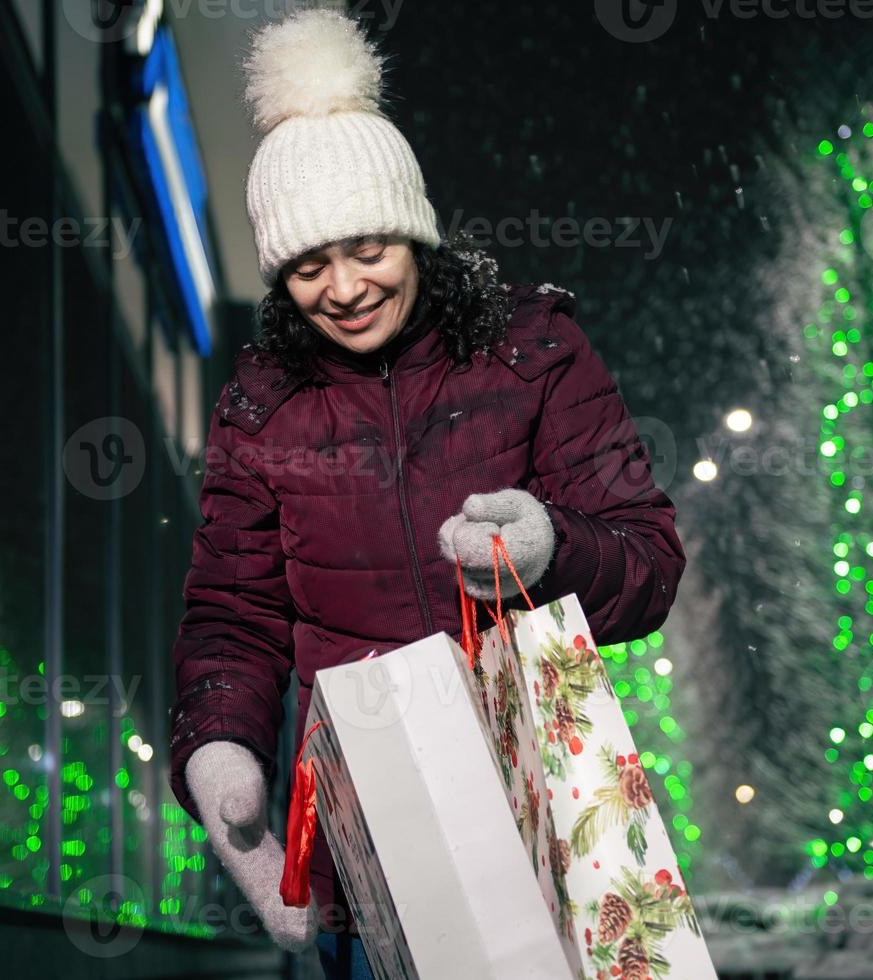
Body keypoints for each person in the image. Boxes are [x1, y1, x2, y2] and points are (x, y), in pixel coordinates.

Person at [167, 9, 686, 978]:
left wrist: (548, 545)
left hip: (547, 804)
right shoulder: (260, 409)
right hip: (373, 840)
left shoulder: (533, 350)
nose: (345, 286)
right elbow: (230, 614)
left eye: (368, 248)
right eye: (308, 264)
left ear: (414, 230)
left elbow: (649, 561)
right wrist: (220, 748)